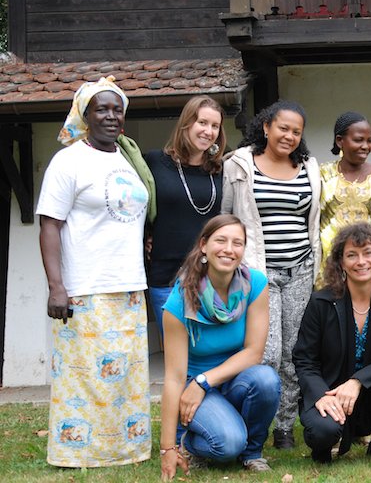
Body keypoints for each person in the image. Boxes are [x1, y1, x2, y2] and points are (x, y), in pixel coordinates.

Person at [37, 76, 151, 467]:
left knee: (125, 375)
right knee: (82, 376)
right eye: (101, 109)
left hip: (130, 284)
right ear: (85, 116)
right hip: (85, 286)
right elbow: (49, 224)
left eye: (117, 109)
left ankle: (126, 450)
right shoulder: (68, 161)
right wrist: (56, 286)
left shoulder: (128, 158)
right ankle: (78, 452)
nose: (111, 116)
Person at [221, 100, 321, 449]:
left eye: (296, 131)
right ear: (266, 127)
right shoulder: (239, 165)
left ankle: (284, 428)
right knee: (266, 351)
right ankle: (257, 424)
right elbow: (226, 216)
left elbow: (313, 219)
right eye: (283, 128)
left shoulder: (309, 167)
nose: (289, 136)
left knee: (294, 352)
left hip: (301, 269)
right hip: (258, 273)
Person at [159, 214, 280, 479]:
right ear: (203, 245)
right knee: (227, 444)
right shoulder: (180, 299)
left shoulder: (255, 284)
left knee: (267, 379)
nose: (229, 249)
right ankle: (190, 442)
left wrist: (204, 381)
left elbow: (254, 352)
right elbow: (174, 377)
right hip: (192, 389)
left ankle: (252, 453)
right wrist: (167, 447)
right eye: (221, 241)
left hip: (230, 380)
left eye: (237, 243)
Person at [293, 222, 371, 463]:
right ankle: (324, 446)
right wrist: (321, 395)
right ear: (341, 262)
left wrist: (357, 382)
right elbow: (304, 359)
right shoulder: (320, 302)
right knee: (323, 431)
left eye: (368, 253)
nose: (361, 261)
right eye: (352, 255)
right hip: (330, 392)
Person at [146, 96, 226, 335]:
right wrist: (146, 235)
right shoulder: (155, 162)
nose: (208, 131)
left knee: (210, 349)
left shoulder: (222, 170)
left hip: (210, 279)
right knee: (175, 351)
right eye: (202, 122)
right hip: (165, 278)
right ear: (187, 123)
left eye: (215, 126)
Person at [318, 111, 371, 287]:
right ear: (340, 141)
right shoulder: (321, 174)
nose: (366, 146)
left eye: (369, 140)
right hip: (328, 269)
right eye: (358, 140)